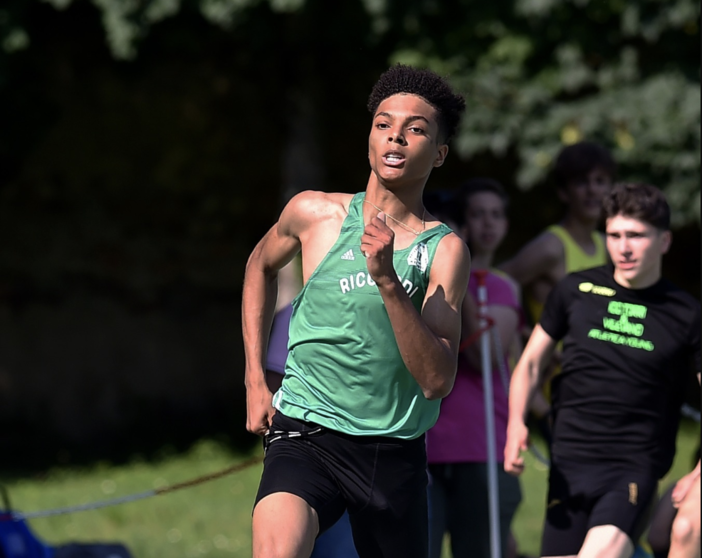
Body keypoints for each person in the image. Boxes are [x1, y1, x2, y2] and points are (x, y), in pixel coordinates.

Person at [242, 64, 470, 558]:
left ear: (440, 153)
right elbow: (258, 267)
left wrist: (388, 280)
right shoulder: (315, 213)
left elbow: (436, 380)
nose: (396, 137)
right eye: (384, 124)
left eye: (416, 129)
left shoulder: (444, 250)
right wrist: (256, 382)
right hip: (305, 429)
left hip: (391, 451)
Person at [504, 182, 701, 558]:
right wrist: (516, 422)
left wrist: (698, 472)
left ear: (664, 241)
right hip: (569, 464)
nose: (623, 247)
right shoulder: (574, 290)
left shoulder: (686, 313)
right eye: (614, 235)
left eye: (636, 236)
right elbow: (531, 362)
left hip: (633, 467)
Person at [426, 179, 523, 558]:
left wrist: (457, 275)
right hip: (424, 446)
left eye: (496, 214)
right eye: (477, 214)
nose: (487, 224)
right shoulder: (417, 285)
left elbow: (483, 354)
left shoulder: (499, 287)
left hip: (481, 446)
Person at [500, 141, 616, 437]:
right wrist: (525, 336)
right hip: (557, 392)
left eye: (600, 181)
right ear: (564, 192)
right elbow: (493, 284)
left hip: (599, 385)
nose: (592, 191)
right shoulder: (551, 247)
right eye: (581, 183)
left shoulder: (609, 246)